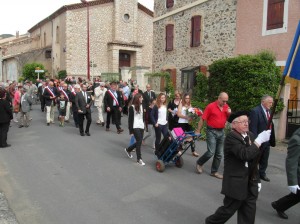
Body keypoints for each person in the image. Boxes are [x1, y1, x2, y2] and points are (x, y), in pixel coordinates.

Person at [205, 111, 271, 224]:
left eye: (247, 121)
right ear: (234, 124)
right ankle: (211, 222)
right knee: (228, 210)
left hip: (251, 182)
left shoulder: (250, 135)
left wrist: (257, 179)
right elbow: (244, 154)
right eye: (243, 122)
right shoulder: (231, 137)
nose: (246, 124)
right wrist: (259, 141)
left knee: (249, 212)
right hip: (236, 182)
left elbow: (254, 160)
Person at [196, 92, 231, 179]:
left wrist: (229, 113)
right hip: (211, 131)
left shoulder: (226, 106)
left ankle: (214, 171)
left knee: (219, 154)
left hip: (221, 131)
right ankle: (199, 163)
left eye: (226, 101)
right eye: (223, 101)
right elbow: (202, 118)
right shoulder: (211, 106)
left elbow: (229, 118)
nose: (225, 103)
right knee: (211, 152)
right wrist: (198, 130)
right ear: (219, 98)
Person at [271, 128, 300, 220]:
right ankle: (279, 205)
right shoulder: (297, 139)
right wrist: (293, 182)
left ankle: (279, 205)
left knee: (297, 195)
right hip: (298, 173)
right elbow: (291, 161)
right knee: (297, 194)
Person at [249, 95, 275, 182]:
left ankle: (262, 173)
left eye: (272, 102)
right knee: (256, 158)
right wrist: (256, 141)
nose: (271, 104)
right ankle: (253, 173)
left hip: (267, 140)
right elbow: (253, 128)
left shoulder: (269, 111)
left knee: (265, 158)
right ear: (263, 101)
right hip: (259, 139)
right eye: (269, 102)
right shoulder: (255, 111)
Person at [124, 93, 146, 166]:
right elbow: (130, 120)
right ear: (137, 99)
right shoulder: (132, 107)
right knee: (139, 141)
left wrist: (144, 125)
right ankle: (139, 159)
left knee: (139, 142)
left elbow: (143, 117)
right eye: (141, 98)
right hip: (135, 126)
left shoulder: (142, 106)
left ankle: (128, 149)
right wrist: (131, 131)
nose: (142, 99)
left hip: (141, 126)